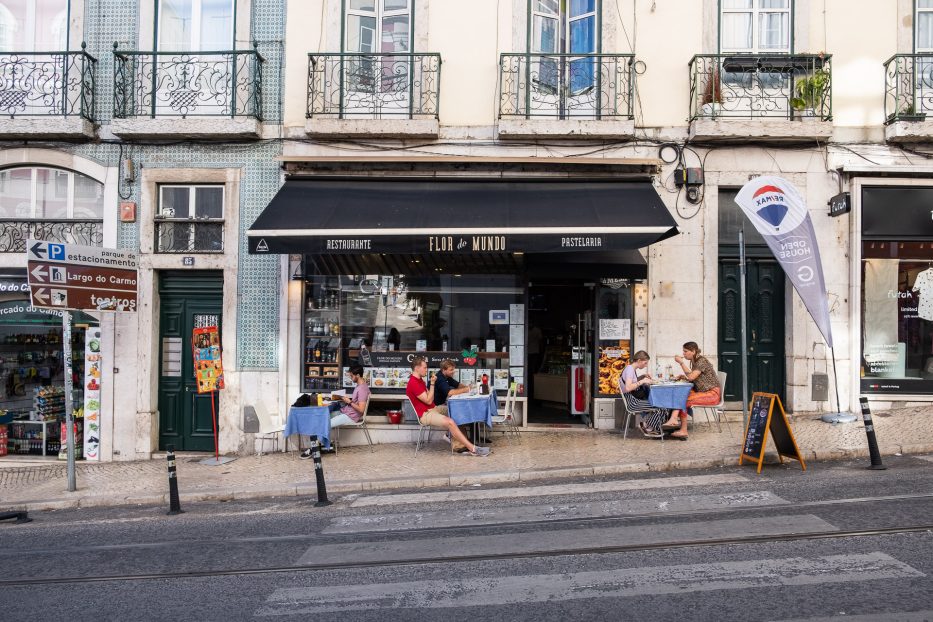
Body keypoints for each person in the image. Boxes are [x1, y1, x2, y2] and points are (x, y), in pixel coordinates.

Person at [405, 356, 490, 457]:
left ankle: (458, 444)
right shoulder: (413, 383)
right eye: (424, 367)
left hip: (433, 408)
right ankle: (473, 448)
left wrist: (431, 390)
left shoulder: (420, 380)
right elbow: (428, 400)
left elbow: (430, 399)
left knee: (457, 411)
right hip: (425, 414)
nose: (426, 370)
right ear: (417, 368)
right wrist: (432, 384)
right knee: (450, 422)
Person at [300, 365, 369, 458]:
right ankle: (317, 446)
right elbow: (357, 402)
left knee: (325, 423)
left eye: (352, 376)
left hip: (351, 416)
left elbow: (361, 409)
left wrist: (349, 401)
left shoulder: (362, 389)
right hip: (346, 411)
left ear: (358, 375)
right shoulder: (360, 386)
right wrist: (345, 400)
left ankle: (314, 449)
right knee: (322, 417)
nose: (351, 378)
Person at [662, 341, 722, 441]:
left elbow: (691, 377)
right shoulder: (694, 361)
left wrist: (681, 363)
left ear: (693, 351)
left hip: (712, 394)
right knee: (681, 394)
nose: (683, 354)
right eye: (683, 351)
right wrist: (684, 377)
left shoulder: (701, 361)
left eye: (685, 351)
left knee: (683, 400)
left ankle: (680, 427)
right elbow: (693, 377)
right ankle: (674, 420)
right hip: (704, 392)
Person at [620, 351, 668, 438]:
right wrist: (643, 381)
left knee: (662, 404)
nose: (646, 365)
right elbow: (628, 387)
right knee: (663, 406)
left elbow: (632, 381)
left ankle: (650, 427)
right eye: (645, 363)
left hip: (632, 399)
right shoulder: (630, 370)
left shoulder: (630, 368)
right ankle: (646, 426)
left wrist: (642, 377)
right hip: (633, 403)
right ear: (639, 360)